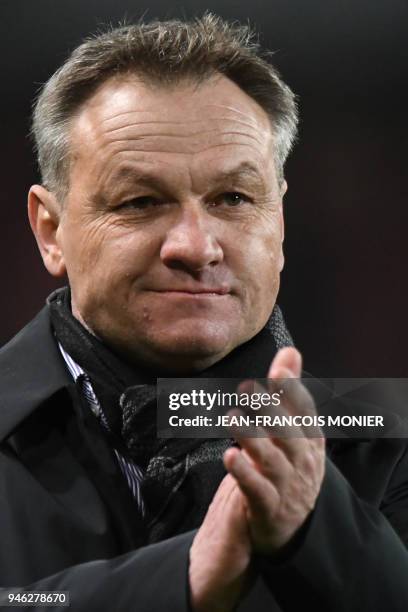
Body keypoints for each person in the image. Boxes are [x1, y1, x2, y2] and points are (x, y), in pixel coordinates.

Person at [0, 14, 407, 612]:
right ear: (51, 231)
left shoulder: (389, 445)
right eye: (140, 201)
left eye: (234, 199)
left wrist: (319, 530)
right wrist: (184, 578)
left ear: (280, 220)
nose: (196, 246)